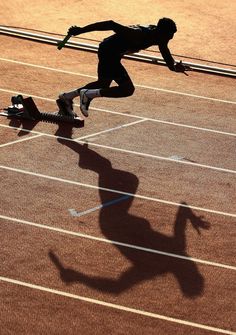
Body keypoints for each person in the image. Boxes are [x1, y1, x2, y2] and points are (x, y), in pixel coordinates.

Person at [58, 18, 190, 117]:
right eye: (168, 36)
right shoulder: (138, 33)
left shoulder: (160, 37)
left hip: (113, 53)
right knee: (127, 89)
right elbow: (110, 24)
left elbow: (164, 50)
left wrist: (173, 66)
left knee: (103, 83)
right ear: (160, 32)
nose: (170, 39)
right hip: (109, 52)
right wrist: (81, 30)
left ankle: (66, 97)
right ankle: (88, 94)